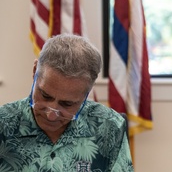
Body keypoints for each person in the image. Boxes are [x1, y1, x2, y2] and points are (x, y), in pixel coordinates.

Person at [0, 34, 133, 171]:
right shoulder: (3, 124)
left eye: (67, 104)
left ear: (86, 93)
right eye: (45, 96)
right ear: (35, 72)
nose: (51, 115)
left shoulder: (109, 127)